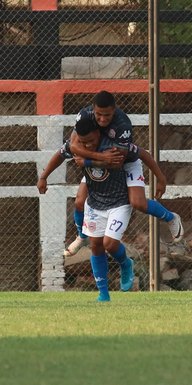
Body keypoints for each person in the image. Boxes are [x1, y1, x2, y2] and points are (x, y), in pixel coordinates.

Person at [63, 91, 183, 257]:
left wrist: (161, 177)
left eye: (107, 115)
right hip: (99, 164)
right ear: (93, 109)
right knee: (80, 201)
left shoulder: (122, 123)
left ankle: (170, 217)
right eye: (99, 114)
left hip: (123, 164)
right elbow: (73, 146)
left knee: (138, 203)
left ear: (114, 110)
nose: (103, 119)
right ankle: (81, 235)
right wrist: (96, 158)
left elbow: (118, 161)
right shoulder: (85, 116)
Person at [58, 113, 137, 301]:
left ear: (98, 134)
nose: (86, 146)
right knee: (95, 245)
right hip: (96, 202)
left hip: (118, 200)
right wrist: (44, 177)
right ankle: (103, 294)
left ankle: (125, 263)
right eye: (81, 142)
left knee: (109, 243)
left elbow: (138, 154)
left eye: (90, 141)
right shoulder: (79, 146)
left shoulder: (113, 145)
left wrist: (88, 161)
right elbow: (59, 155)